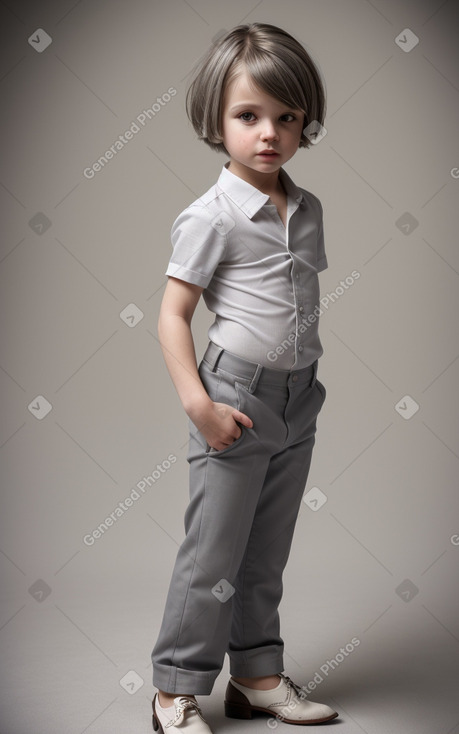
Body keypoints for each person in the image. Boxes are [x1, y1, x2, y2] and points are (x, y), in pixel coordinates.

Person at [151, 22, 339, 733]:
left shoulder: (308, 208)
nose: (269, 134)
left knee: (266, 551)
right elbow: (171, 316)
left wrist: (304, 391)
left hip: (298, 397)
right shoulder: (210, 216)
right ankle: (173, 688)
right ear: (214, 119)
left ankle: (256, 676)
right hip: (234, 396)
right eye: (248, 116)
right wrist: (200, 405)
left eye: (286, 117)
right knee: (212, 556)